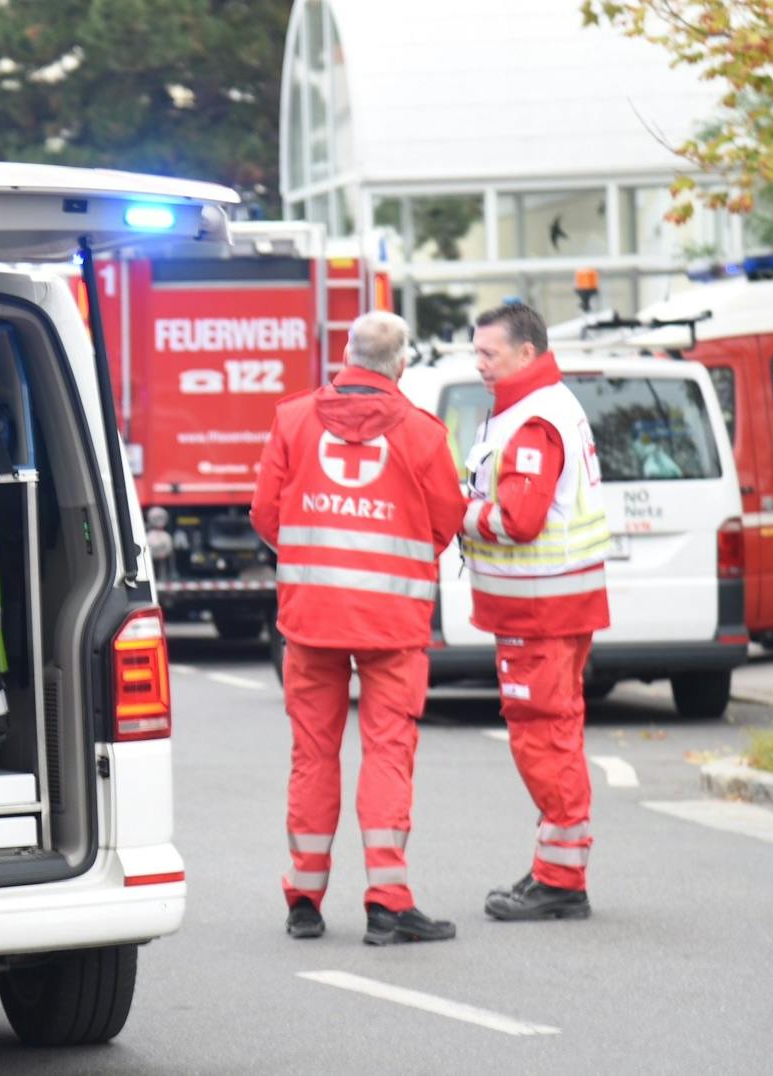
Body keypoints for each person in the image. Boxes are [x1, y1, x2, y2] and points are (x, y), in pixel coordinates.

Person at [251, 311, 467, 945]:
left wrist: (313, 560)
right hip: (392, 625)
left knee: (313, 756)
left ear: (344, 355)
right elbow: (445, 520)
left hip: (311, 618)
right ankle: (388, 901)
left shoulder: (292, 418)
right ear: (401, 365)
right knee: (388, 754)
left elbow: (267, 513)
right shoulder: (424, 435)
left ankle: (304, 898)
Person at [461, 302, 611, 922]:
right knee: (557, 733)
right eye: (476, 353)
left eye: (488, 354)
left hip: (538, 609)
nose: (479, 365)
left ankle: (560, 881)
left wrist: (459, 510)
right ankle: (557, 872)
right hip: (552, 602)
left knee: (543, 739)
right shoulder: (541, 407)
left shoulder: (532, 420)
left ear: (526, 353)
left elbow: (518, 520)